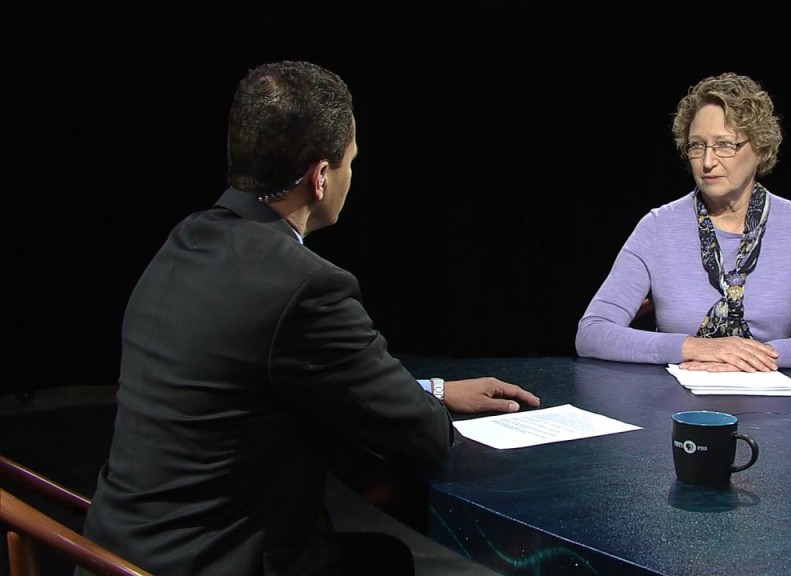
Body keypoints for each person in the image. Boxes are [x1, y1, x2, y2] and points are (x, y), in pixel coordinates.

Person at [78, 60, 540, 576]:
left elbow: (283, 379)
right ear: (321, 177)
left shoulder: (186, 240)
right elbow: (423, 437)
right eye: (350, 162)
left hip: (113, 555)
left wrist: (432, 388)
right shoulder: (304, 286)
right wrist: (423, 404)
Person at [575, 72, 791, 372]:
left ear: (759, 148)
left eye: (724, 145)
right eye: (697, 146)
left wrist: (763, 355)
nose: (708, 162)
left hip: (776, 411)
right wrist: (693, 348)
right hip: (674, 403)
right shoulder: (658, 228)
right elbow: (592, 333)